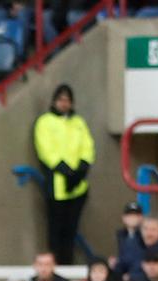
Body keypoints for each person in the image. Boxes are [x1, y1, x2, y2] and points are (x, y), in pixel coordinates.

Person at [34, 84, 94, 264]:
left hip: (78, 186)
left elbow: (87, 146)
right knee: (56, 229)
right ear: (54, 101)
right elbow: (46, 150)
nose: (64, 103)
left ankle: (68, 264)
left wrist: (81, 168)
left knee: (71, 230)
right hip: (57, 184)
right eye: (61, 99)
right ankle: (55, 265)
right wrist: (65, 170)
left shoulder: (78, 122)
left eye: (67, 100)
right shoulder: (45, 122)